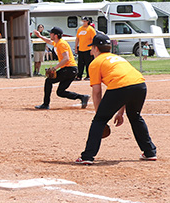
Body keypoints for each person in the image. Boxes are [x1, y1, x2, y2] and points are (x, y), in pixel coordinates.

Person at [75, 33, 157, 164]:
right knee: (135, 117)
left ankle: (87, 156)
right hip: (140, 86)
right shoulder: (118, 58)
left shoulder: (96, 63)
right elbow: (125, 83)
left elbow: (97, 92)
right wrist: (120, 112)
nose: (91, 51)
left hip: (122, 87)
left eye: (92, 48)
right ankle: (150, 152)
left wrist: (100, 115)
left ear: (96, 48)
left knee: (99, 121)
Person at [33, 26, 90, 110]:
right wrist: (40, 36)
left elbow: (66, 58)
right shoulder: (57, 42)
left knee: (48, 81)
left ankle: (45, 104)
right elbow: (48, 41)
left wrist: (55, 68)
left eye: (51, 33)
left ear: (55, 35)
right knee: (60, 92)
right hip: (71, 70)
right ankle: (83, 97)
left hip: (69, 69)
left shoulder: (61, 44)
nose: (50, 34)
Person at [75, 16, 96, 80]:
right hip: (81, 49)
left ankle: (88, 76)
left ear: (88, 22)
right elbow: (77, 38)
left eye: (84, 21)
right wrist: (76, 48)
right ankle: (79, 76)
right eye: (82, 21)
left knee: (88, 64)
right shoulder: (80, 29)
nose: (83, 22)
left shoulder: (91, 29)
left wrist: (93, 49)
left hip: (88, 49)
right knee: (80, 64)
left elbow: (94, 40)